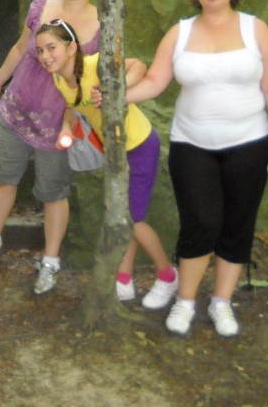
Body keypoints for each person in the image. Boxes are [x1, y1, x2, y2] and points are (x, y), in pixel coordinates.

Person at [125, 0, 268, 337]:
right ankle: (185, 301)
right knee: (199, 222)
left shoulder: (257, 30)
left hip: (249, 143)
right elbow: (154, 82)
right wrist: (118, 97)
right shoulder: (179, 33)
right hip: (192, 144)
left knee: (237, 223)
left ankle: (221, 302)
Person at [0, 0, 100, 294]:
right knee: (4, 179)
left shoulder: (102, 24)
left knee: (54, 193)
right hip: (16, 110)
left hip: (59, 124)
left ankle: (50, 260)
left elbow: (96, 80)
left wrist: (84, 113)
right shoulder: (41, 7)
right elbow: (19, 48)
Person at [35, 19, 178, 309]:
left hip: (138, 145)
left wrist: (115, 89)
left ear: (71, 48)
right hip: (113, 152)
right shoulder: (59, 79)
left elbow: (138, 66)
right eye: (40, 50)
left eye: (51, 48)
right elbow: (71, 108)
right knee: (121, 212)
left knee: (132, 219)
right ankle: (123, 278)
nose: (45, 56)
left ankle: (167, 274)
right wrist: (66, 128)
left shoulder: (95, 64)